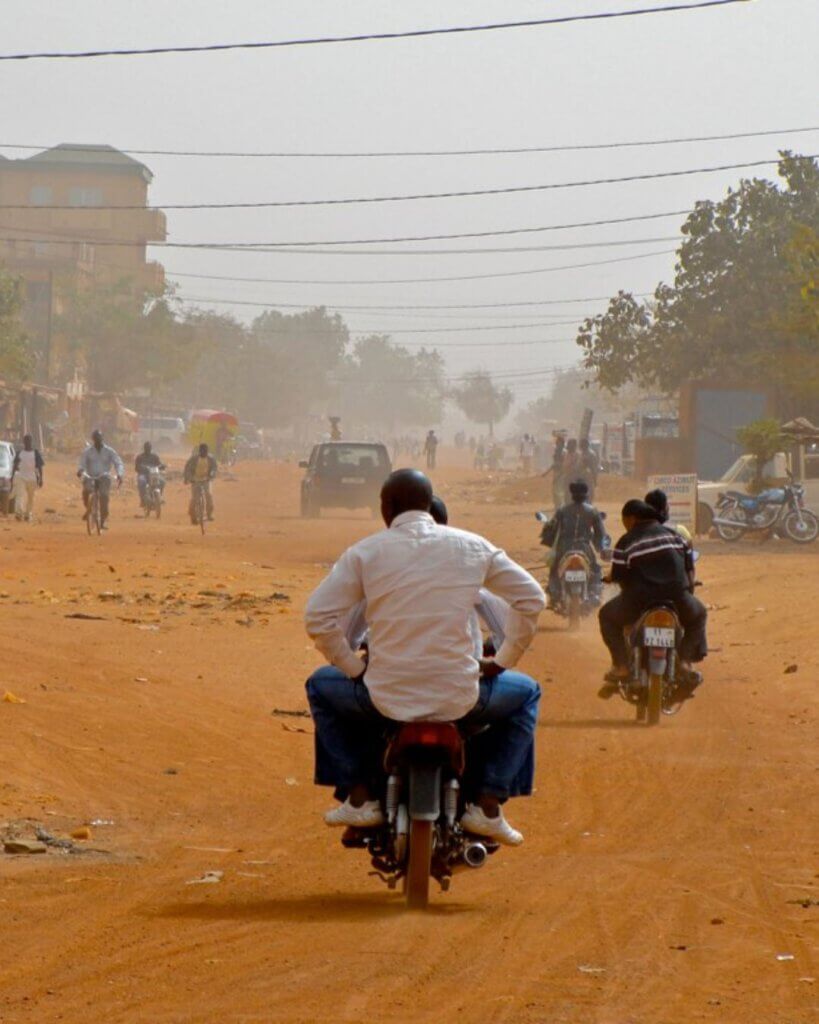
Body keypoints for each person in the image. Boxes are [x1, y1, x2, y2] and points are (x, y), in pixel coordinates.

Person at [304, 469, 545, 846]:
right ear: (429, 505)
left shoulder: (366, 552)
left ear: (387, 507)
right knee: (527, 693)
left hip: (382, 696)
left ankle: (358, 793)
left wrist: (353, 667)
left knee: (320, 685)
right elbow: (532, 599)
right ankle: (487, 802)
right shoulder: (472, 547)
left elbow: (317, 617)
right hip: (461, 697)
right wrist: (503, 661)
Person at [598, 499, 707, 700]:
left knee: (606, 616)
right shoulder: (675, 536)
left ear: (631, 519)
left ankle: (621, 666)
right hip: (676, 598)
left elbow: (619, 575)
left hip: (639, 601)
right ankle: (683, 662)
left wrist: (610, 577)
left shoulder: (627, 540)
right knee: (699, 615)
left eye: (624, 520)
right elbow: (688, 568)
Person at [540, 480, 608, 608]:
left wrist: (549, 541)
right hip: (584, 548)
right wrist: (600, 547)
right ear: (586, 494)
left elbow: (552, 529)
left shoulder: (562, 511)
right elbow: (600, 534)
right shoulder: (592, 511)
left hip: (564, 548)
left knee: (554, 569)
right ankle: (595, 593)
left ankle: (554, 596)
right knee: (596, 569)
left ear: (571, 494)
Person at [77, 430, 124, 529]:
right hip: (90, 476)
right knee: (86, 491)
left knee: (104, 496)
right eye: (95, 438)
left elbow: (118, 462)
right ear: (93, 439)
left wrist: (119, 474)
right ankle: (89, 509)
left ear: (102, 438)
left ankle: (103, 520)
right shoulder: (87, 451)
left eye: (99, 438)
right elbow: (82, 462)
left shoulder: (109, 451)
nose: (97, 440)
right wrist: (81, 470)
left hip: (104, 477)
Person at [11, 434, 44, 522]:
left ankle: (27, 514)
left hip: (32, 478)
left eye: (29, 441)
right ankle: (18, 513)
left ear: (31, 442)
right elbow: (14, 466)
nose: (27, 443)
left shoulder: (36, 453)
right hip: (20, 477)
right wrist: (12, 476)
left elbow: (40, 467)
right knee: (20, 496)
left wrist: (41, 479)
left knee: (31, 498)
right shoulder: (19, 453)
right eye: (26, 441)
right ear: (24, 442)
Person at [184, 443, 217, 523]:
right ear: (199, 451)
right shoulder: (194, 459)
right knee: (195, 499)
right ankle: (193, 515)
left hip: (206, 479)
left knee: (209, 495)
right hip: (195, 480)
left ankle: (209, 514)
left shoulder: (211, 459)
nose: (204, 453)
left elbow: (214, 468)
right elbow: (187, 468)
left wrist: (211, 475)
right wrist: (188, 478)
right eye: (202, 451)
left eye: (205, 451)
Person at [134, 442, 165, 509]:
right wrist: (142, 468)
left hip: (154, 474)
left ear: (151, 448)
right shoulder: (140, 457)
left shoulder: (155, 456)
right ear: (144, 448)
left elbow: (159, 464)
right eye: (146, 448)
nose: (148, 449)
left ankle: (159, 497)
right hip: (143, 474)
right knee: (141, 481)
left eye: (149, 448)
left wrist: (162, 466)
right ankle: (143, 499)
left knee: (162, 481)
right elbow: (136, 468)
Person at [549, 433, 567, 509]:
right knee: (555, 489)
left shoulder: (563, 451)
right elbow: (554, 463)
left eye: (558, 441)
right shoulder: (557, 451)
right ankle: (557, 505)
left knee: (559, 489)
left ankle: (561, 505)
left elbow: (564, 463)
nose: (556, 443)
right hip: (556, 471)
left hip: (561, 472)